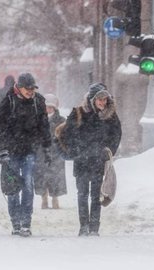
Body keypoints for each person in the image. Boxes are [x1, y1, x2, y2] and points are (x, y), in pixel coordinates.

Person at [57, 82, 121, 236]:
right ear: (92, 99)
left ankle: (94, 228)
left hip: (98, 161)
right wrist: (76, 150)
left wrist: (109, 151)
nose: (103, 103)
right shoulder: (78, 113)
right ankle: (84, 226)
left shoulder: (110, 116)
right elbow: (66, 135)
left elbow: (116, 135)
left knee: (96, 196)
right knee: (82, 194)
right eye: (100, 99)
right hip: (82, 161)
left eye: (105, 100)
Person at [0, 73, 51, 237]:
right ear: (19, 87)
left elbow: (44, 125)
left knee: (27, 185)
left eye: (33, 88)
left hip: (29, 150)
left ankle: (26, 222)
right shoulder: (9, 101)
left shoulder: (38, 101)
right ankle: (15, 222)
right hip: (11, 151)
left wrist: (46, 147)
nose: (31, 91)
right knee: (13, 188)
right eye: (28, 88)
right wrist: (2, 151)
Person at [34, 93, 67, 209]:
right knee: (42, 175)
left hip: (56, 152)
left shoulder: (61, 120)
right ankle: (44, 197)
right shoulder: (37, 120)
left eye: (50, 107)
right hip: (41, 152)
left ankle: (55, 198)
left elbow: (65, 136)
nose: (48, 109)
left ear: (54, 108)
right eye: (46, 107)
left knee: (55, 176)